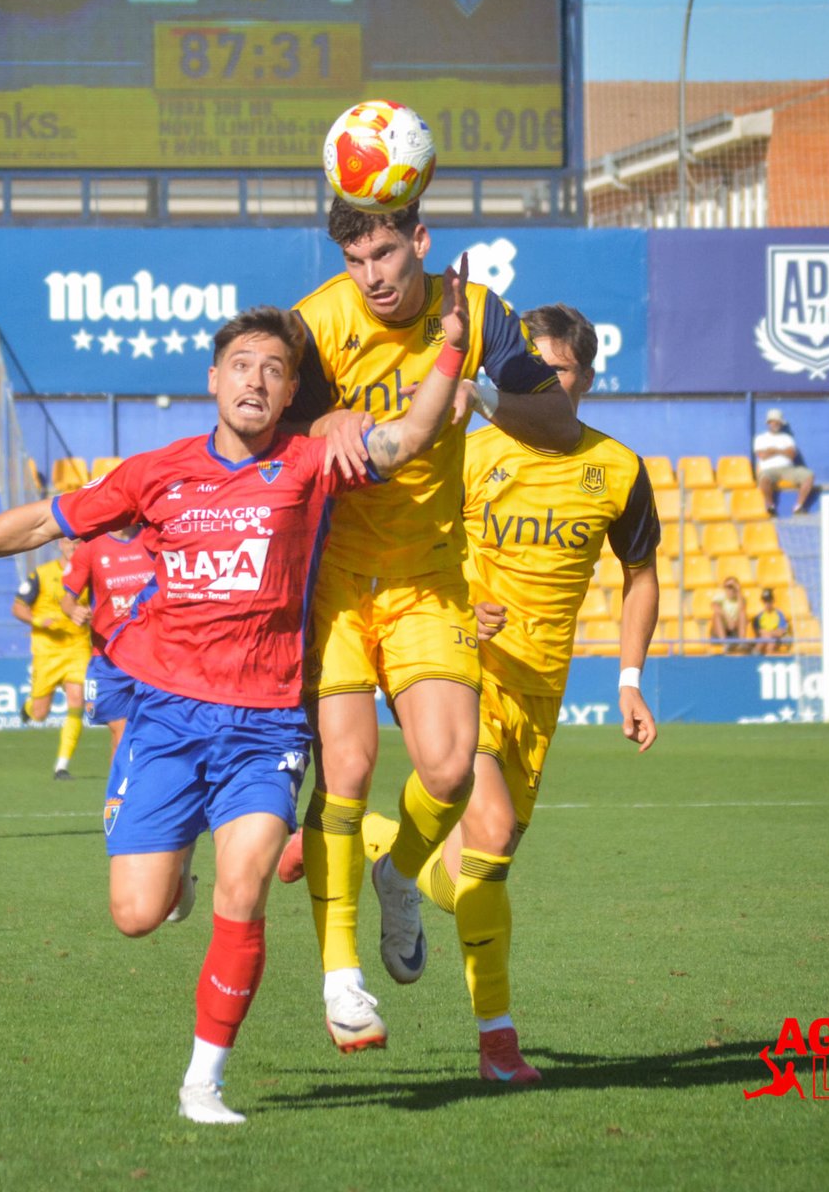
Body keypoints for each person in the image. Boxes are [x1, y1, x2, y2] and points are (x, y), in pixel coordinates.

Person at [0, 293, 469, 1125]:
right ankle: (171, 868)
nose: (255, 381)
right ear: (213, 379)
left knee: (245, 885)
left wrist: (450, 350)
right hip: (166, 720)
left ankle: (203, 1084)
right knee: (137, 914)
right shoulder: (157, 472)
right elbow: (43, 522)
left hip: (265, 725)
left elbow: (409, 438)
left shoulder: (308, 463)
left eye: (274, 370)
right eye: (241, 366)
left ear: (289, 391)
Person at [279, 198, 580, 1053]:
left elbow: (559, 428)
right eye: (355, 260)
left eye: (384, 253)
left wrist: (480, 392)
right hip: (335, 577)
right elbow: (268, 431)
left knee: (447, 772)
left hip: (427, 576)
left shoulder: (478, 313)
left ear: (420, 241)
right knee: (346, 767)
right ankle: (341, 978)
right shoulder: (316, 323)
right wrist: (323, 421)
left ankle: (399, 872)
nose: (371, 276)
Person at [373, 302, 661, 1083]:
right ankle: (497, 1044)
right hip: (464, 666)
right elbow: (412, 545)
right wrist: (461, 601)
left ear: (587, 377)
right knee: (493, 831)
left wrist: (630, 680)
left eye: (555, 372)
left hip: (541, 689)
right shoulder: (470, 452)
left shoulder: (619, 469)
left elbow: (640, 576)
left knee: (475, 867)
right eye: (525, 370)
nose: (538, 385)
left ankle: (383, 853)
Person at [61, 524, 154, 760]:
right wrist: (74, 610)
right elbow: (67, 599)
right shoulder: (91, 548)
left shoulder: (154, 539)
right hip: (109, 656)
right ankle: (120, 785)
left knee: (152, 733)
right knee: (121, 734)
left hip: (152, 654)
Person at [12, 536, 91, 780]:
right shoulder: (42, 574)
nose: (72, 547)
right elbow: (18, 607)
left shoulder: (90, 574)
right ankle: (29, 708)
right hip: (47, 651)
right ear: (59, 544)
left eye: (78, 542)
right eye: (68, 542)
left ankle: (62, 766)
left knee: (77, 699)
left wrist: (91, 613)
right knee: (40, 713)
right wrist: (39, 620)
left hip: (78, 647)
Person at [754, 409, 815, 515]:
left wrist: (773, 450)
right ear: (768, 423)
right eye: (773, 421)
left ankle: (798, 507)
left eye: (778, 422)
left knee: (809, 476)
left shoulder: (787, 438)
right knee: (763, 479)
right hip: (768, 469)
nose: (776, 424)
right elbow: (762, 456)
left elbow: (792, 455)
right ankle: (770, 506)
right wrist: (783, 451)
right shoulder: (761, 438)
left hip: (788, 469)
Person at [709, 576, 748, 653]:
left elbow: (742, 609)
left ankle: (741, 642)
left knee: (743, 614)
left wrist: (739, 591)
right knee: (716, 615)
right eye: (728, 587)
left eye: (733, 587)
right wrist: (728, 619)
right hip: (721, 630)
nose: (730, 590)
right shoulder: (720, 596)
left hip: (734, 629)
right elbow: (715, 607)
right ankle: (725, 644)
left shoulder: (740, 598)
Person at [751, 588, 793, 654]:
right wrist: (773, 633)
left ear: (773, 601)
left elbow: (781, 632)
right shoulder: (759, 617)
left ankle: (761, 654)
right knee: (766, 641)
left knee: (771, 642)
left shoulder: (779, 614)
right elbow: (760, 632)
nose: (767, 604)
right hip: (765, 641)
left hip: (775, 640)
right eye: (765, 601)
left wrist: (770, 634)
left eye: (769, 601)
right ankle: (758, 654)